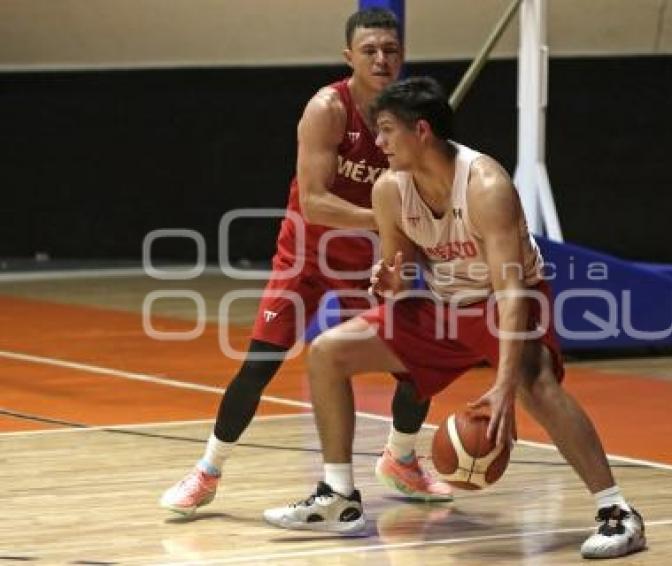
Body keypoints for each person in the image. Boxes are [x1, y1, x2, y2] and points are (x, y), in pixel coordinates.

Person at [262, 76, 647, 559]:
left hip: (502, 300)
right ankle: (339, 497)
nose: (377, 143)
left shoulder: (486, 185)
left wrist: (504, 385)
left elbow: (512, 293)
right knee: (326, 353)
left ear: (421, 131)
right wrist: (391, 281)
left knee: (536, 385)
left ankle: (618, 512)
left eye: (385, 131)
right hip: (444, 306)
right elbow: (402, 268)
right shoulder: (388, 191)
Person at [159, 9, 452, 516]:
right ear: (349, 57)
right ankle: (207, 471)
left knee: (416, 362)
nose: (382, 58)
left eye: (391, 50)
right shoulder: (327, 109)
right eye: (370, 50)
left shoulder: (409, 119)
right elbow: (315, 202)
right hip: (307, 256)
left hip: (369, 260)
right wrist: (385, 220)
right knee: (259, 365)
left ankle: (402, 458)